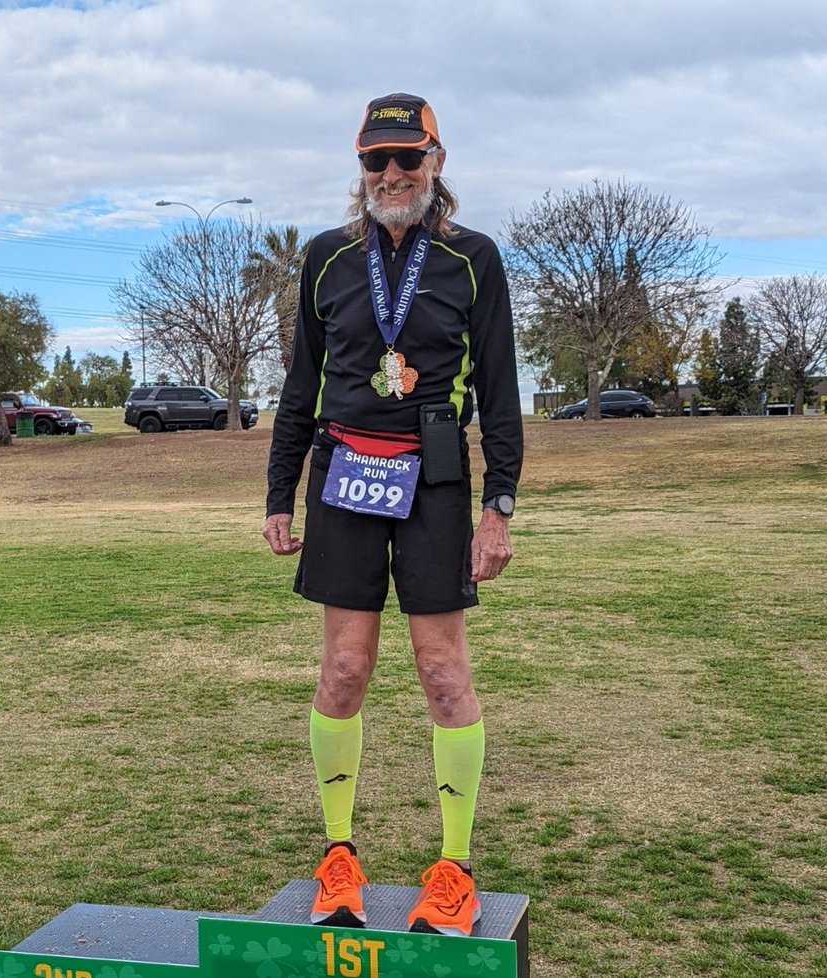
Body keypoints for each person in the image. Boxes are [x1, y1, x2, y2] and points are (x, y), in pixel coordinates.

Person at [263, 93, 522, 937]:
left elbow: (500, 390)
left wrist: (500, 507)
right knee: (343, 669)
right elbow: (300, 385)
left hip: (436, 481)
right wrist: (277, 494)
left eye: (408, 157)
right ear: (360, 167)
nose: (391, 173)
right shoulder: (326, 258)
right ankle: (337, 855)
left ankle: (454, 869)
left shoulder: (473, 258)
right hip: (343, 477)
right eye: (376, 159)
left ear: (437, 162)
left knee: (442, 671)